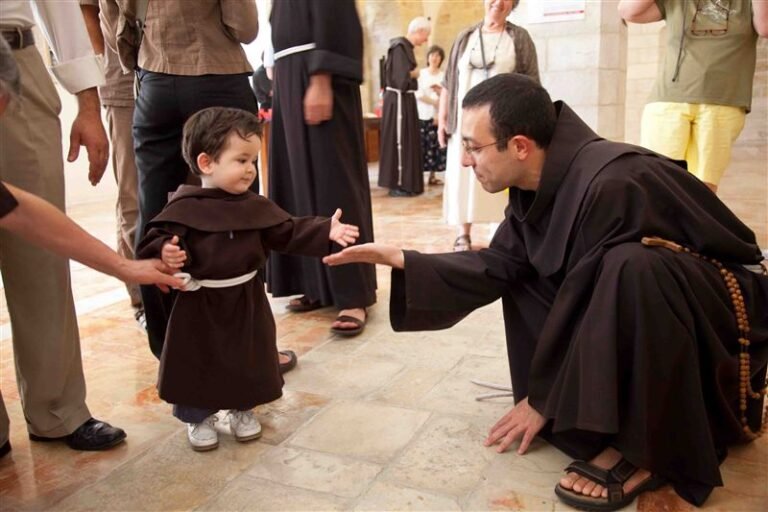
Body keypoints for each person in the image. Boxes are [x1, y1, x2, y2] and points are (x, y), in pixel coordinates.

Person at [324, 73, 768, 510]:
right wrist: (403, 258)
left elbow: (595, 292)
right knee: (534, 272)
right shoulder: (541, 182)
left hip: (722, 309)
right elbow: (500, 266)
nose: (464, 161)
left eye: (474, 148)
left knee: (630, 267)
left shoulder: (612, 182)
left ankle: (648, 450)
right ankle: (593, 418)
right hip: (653, 298)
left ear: (520, 146)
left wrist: (544, 397)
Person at [137, 107, 359, 451]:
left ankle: (243, 409)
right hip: (201, 304)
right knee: (199, 359)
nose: (251, 170)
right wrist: (165, 252)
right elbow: (154, 241)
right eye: (241, 160)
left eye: (253, 160)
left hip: (246, 299)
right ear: (207, 162)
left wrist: (324, 229)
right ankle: (200, 416)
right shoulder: (183, 208)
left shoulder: (254, 207)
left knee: (248, 355)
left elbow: (288, 230)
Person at [0, 3, 126, 454]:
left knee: (39, 252)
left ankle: (58, 409)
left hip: (16, 56)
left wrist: (88, 104)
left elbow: (59, 6)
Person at [118, 0, 262, 360]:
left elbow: (115, 19)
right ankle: (245, 345)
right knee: (239, 211)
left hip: (154, 81)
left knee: (154, 217)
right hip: (216, 73)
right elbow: (244, 26)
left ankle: (169, 349)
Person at [267, 0, 377, 337]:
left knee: (335, 180)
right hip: (288, 72)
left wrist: (322, 76)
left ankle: (352, 293)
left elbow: (334, 10)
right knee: (295, 182)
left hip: (316, 69)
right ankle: (312, 281)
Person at [618, 0, 768, 194]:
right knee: (657, 182)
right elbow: (628, 11)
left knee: (702, 192)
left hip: (722, 103)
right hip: (668, 101)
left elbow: (764, 28)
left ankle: (688, 226)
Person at [438, 0, 539, 251]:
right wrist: (442, 120)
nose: (498, 2)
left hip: (501, 125)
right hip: (463, 124)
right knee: (464, 177)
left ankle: (501, 234)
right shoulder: (465, 37)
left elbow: (531, 82)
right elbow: (449, 82)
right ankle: (463, 233)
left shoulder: (519, 37)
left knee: (500, 172)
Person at [80, 0, 145, 329]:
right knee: (132, 190)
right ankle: (142, 297)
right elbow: (87, 12)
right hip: (121, 78)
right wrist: (99, 71)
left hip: (170, 69)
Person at [378, 16, 431, 198]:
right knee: (401, 141)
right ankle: (400, 183)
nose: (426, 40)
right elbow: (401, 80)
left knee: (408, 140)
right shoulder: (400, 47)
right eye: (426, 35)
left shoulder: (405, 48)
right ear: (419, 31)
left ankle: (410, 183)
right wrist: (414, 74)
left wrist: (412, 75)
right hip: (399, 101)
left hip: (405, 101)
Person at [416, 45, 447, 187]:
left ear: (441, 59)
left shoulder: (443, 75)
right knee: (421, 146)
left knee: (434, 147)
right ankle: (418, 177)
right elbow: (418, 94)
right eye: (432, 55)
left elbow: (447, 94)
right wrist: (434, 101)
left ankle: (433, 176)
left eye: (438, 56)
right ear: (428, 57)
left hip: (437, 115)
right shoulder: (421, 74)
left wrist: (439, 100)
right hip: (422, 113)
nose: (434, 58)